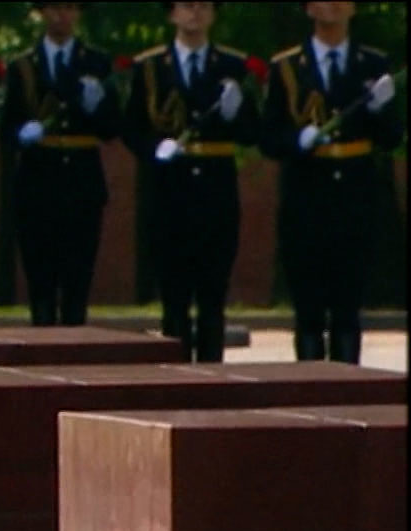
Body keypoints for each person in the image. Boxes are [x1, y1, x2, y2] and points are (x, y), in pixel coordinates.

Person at [260, 2, 402, 364]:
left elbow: (391, 138)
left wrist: (381, 110)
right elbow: (268, 137)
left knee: (347, 312)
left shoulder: (372, 64)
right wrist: (296, 140)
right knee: (308, 313)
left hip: (356, 196)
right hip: (306, 196)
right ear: (308, 8)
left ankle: (347, 390)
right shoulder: (287, 67)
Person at [121, 3, 262, 364]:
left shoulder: (232, 66)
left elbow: (252, 132)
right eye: (186, 5)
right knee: (174, 298)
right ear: (171, 14)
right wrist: (156, 147)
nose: (195, 12)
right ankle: (176, 378)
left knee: (213, 298)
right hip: (169, 192)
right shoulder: (149, 66)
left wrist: (236, 112)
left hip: (215, 188)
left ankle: (212, 377)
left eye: (204, 5)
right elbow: (132, 127)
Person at [0, 2, 124, 326]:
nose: (61, 16)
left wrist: (96, 105)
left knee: (76, 285)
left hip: (81, 183)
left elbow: (112, 129)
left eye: (69, 8)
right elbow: (5, 132)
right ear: (41, 13)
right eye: (54, 8)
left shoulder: (97, 63)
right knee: (40, 286)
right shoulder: (22, 66)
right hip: (36, 183)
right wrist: (21, 132)